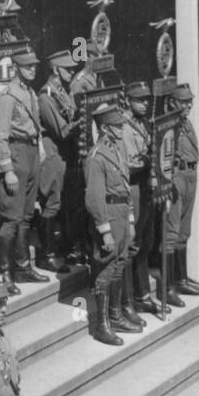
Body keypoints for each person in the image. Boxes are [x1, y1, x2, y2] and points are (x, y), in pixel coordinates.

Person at [0, 48, 47, 291]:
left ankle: (22, 266)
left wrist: (41, 146)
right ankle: (4, 272)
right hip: (16, 156)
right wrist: (7, 170)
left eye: (34, 65)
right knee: (11, 219)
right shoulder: (8, 97)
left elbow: (36, 124)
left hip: (32, 153)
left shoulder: (30, 93)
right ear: (15, 68)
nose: (32, 69)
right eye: (27, 66)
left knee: (25, 216)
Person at [84, 102, 135, 346]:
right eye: (117, 125)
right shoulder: (96, 157)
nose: (121, 128)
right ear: (104, 128)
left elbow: (125, 184)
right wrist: (105, 231)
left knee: (120, 263)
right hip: (110, 214)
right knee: (106, 269)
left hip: (123, 211)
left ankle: (115, 315)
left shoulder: (116, 149)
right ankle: (101, 326)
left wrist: (131, 219)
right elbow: (94, 198)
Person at [37, 48, 79, 272]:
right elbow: (61, 131)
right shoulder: (46, 96)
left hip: (65, 154)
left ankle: (64, 247)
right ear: (56, 70)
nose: (72, 72)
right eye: (68, 69)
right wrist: (82, 122)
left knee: (65, 202)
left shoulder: (62, 91)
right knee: (52, 203)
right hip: (53, 154)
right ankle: (47, 254)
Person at [165, 83, 199, 298]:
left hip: (190, 174)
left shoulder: (186, 123)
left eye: (190, 101)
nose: (188, 105)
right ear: (173, 102)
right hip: (176, 177)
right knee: (171, 232)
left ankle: (181, 279)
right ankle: (169, 286)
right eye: (183, 101)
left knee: (184, 231)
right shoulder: (169, 125)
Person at [124, 81, 161, 315]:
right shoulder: (126, 127)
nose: (145, 103)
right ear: (129, 101)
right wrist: (149, 160)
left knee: (145, 240)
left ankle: (144, 294)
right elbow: (130, 163)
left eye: (146, 99)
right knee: (133, 242)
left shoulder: (143, 124)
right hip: (134, 186)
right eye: (140, 100)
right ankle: (130, 299)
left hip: (145, 186)